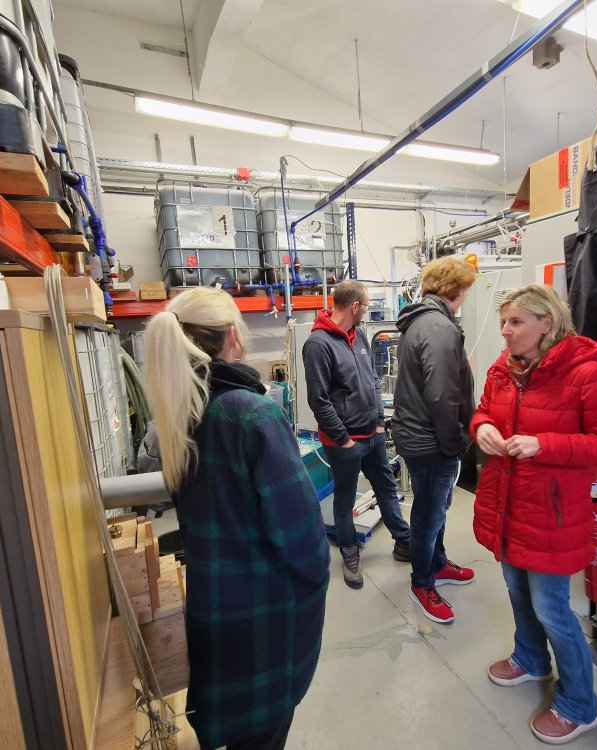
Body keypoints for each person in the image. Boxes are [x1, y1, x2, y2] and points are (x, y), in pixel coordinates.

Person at [143, 287, 329, 750]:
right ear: (232, 337)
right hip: (263, 615)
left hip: (213, 608)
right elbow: (301, 535)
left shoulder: (179, 409)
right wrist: (317, 579)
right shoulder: (252, 413)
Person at [470, 284, 597, 745]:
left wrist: (546, 445)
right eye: (504, 321)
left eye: (515, 322)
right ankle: (531, 659)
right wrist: (481, 428)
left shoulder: (587, 375)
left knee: (553, 609)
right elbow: (483, 412)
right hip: (506, 504)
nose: (505, 331)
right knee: (517, 592)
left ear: (548, 323)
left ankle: (580, 706)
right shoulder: (503, 370)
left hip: (552, 515)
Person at [303, 280, 412, 589]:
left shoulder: (359, 335)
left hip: (372, 434)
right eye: (365, 305)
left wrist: (378, 422)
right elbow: (319, 399)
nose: (366, 310)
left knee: (387, 488)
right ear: (354, 307)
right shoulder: (318, 344)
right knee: (345, 498)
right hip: (344, 442)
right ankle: (350, 553)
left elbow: (373, 380)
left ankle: (404, 542)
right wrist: (344, 439)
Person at [392, 256, 478, 625]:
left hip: (422, 436)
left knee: (436, 507)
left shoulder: (420, 322)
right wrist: (456, 442)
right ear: (458, 290)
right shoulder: (440, 328)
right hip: (430, 441)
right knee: (429, 514)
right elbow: (442, 396)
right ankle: (423, 581)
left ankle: (438, 564)